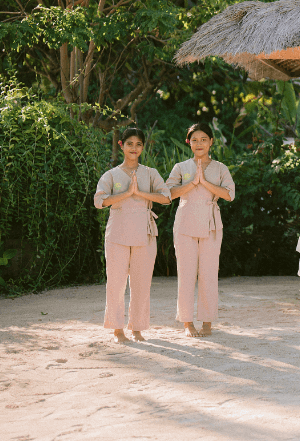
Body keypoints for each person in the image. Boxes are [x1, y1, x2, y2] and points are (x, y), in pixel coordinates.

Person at [93, 127, 170, 343]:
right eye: (129, 144)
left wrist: (140, 194)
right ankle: (117, 329)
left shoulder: (150, 173)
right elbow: (99, 201)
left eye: (138, 144)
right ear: (121, 145)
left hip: (144, 234)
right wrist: (126, 193)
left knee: (141, 283)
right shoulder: (111, 175)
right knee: (116, 283)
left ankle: (137, 328)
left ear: (143, 147)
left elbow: (166, 197)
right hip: (117, 233)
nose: (133, 148)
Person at [167, 123, 235, 338]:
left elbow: (229, 195)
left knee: (208, 274)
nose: (199, 143)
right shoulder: (180, 167)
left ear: (211, 142)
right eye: (194, 140)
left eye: (203, 139)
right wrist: (191, 183)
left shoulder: (220, 168)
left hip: (211, 224)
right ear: (189, 142)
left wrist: (204, 182)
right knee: (186, 274)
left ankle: (207, 322)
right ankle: (187, 323)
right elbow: (167, 194)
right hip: (185, 223)